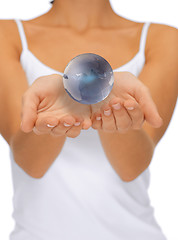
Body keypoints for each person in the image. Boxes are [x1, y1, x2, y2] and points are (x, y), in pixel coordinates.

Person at [0, 0, 177, 239]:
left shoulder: (163, 39)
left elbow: (131, 167)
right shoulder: (7, 34)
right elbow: (30, 162)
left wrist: (103, 99)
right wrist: (69, 97)